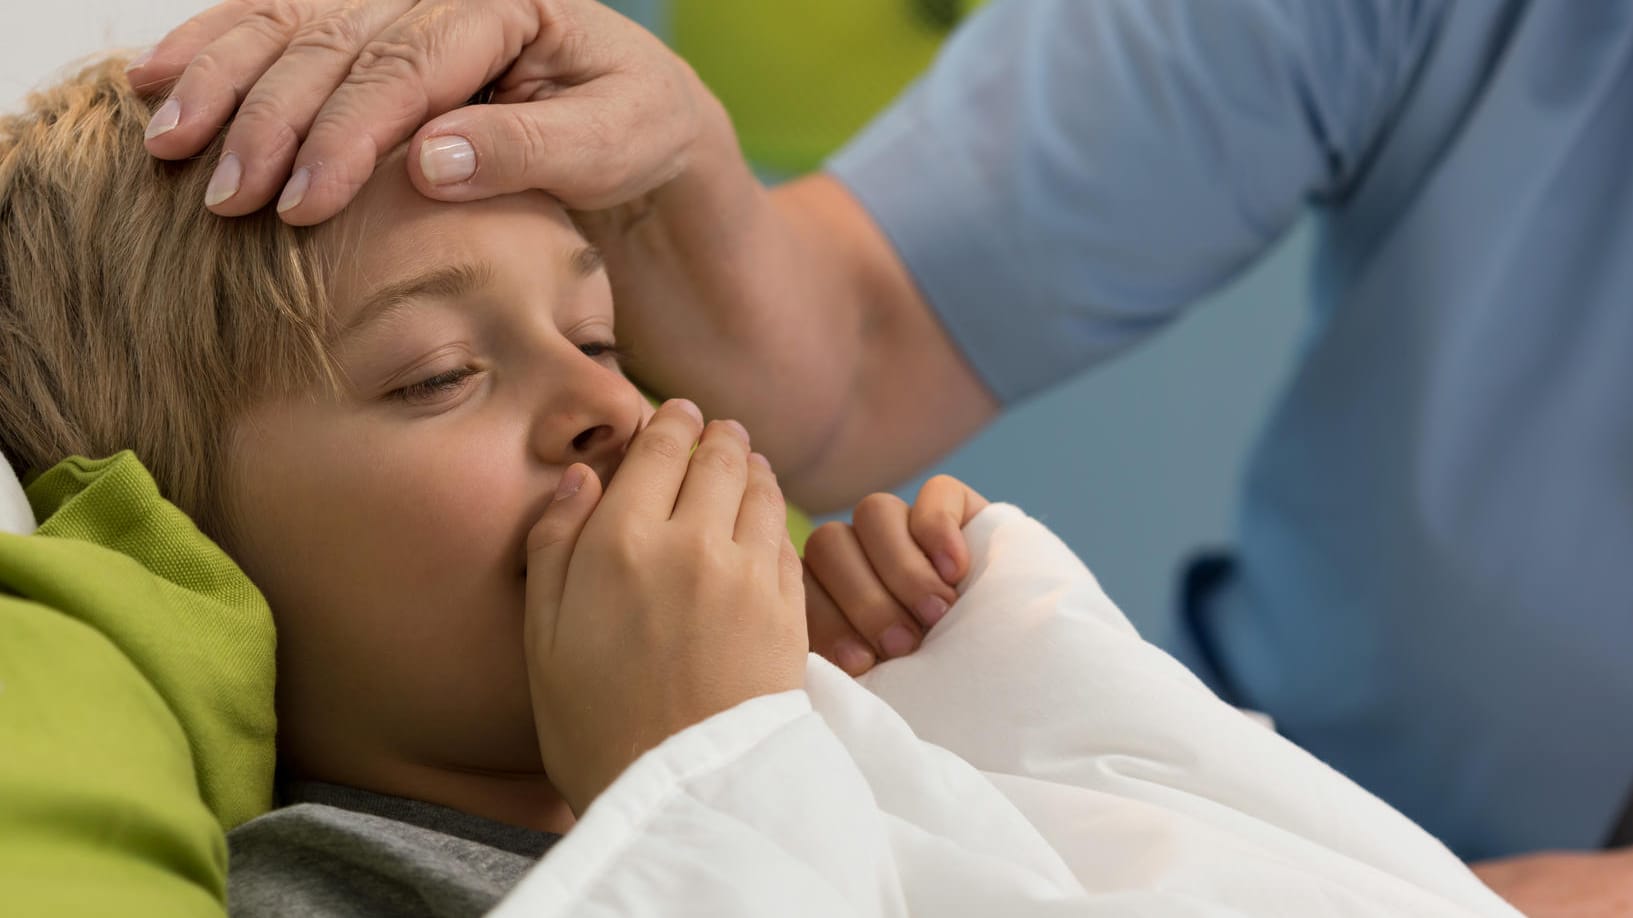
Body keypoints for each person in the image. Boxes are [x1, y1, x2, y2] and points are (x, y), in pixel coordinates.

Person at [122, 0, 1633, 909]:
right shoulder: (328, 886)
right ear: (192, 538)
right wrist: (724, 772)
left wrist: (938, 734)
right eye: (442, 372)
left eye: (605, 336)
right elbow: (846, 346)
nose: (619, 408)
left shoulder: (846, 772)